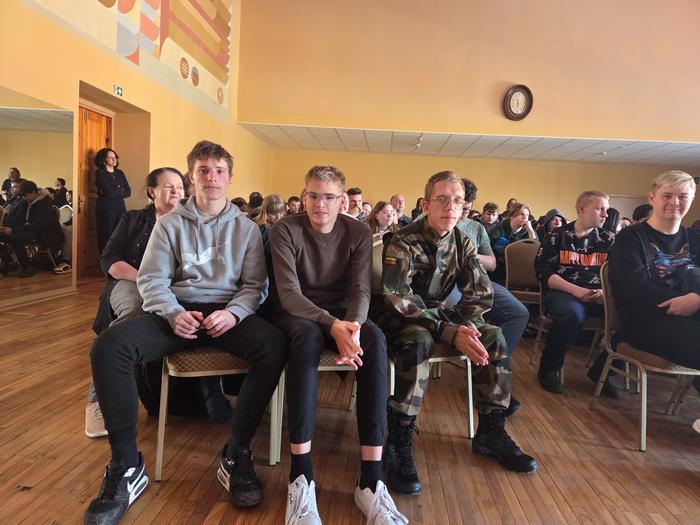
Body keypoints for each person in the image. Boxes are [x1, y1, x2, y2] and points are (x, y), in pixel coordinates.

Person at [84, 141, 287, 525]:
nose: (212, 177)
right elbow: (151, 279)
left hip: (227, 315)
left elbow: (254, 286)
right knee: (110, 346)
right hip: (178, 314)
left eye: (219, 171)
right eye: (203, 170)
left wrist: (234, 314)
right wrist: (173, 313)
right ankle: (126, 466)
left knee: (273, 344)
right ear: (191, 178)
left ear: (230, 177)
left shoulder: (247, 229)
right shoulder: (169, 224)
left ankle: (236, 453)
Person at [375, 171, 536, 498]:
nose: (451, 207)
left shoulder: (463, 242)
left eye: (458, 201)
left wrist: (466, 326)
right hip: (399, 318)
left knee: (492, 336)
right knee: (419, 340)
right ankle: (399, 440)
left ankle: (491, 431)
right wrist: (449, 330)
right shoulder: (402, 241)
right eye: (442, 199)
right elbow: (398, 298)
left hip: (442, 315)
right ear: (426, 205)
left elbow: (480, 294)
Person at [270, 165, 407, 525]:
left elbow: (360, 289)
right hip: (298, 313)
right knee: (306, 340)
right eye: (313, 196)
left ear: (342, 200)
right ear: (304, 197)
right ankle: (301, 476)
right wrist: (333, 326)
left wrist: (354, 327)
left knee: (376, 339)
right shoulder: (285, 229)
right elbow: (288, 294)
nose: (320, 204)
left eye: (329, 197)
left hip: (345, 315)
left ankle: (370, 481)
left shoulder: (357, 231)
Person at [86, 167, 186, 438]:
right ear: (152, 191)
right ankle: (100, 400)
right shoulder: (133, 219)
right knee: (134, 309)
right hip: (131, 281)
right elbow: (110, 259)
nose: (176, 191)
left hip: (172, 288)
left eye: (180, 186)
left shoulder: (189, 222)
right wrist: (147, 280)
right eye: (169, 186)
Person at [609, 170, 699, 370]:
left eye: (683, 196)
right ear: (652, 198)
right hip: (644, 319)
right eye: (667, 195)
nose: (675, 202)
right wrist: (686, 300)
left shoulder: (694, 238)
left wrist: (696, 298)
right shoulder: (630, 238)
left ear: (692, 200)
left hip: (691, 312)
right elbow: (636, 289)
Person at [534, 191, 615, 394]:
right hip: (564, 292)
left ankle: (603, 371)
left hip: (599, 295)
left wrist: (605, 293)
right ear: (581, 209)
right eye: (599, 209)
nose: (605, 214)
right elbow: (543, 272)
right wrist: (577, 291)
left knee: (633, 316)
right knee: (571, 315)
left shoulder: (609, 239)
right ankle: (549, 369)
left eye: (606, 209)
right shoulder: (557, 236)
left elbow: (618, 274)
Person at [0, 180, 64, 277]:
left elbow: (37, 226)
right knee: (2, 235)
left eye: (26, 196)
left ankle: (27, 268)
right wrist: (5, 227)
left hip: (46, 235)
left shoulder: (45, 204)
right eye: (23, 196)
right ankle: (10, 263)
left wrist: (13, 230)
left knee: (16, 238)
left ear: (34, 192)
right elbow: (18, 219)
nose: (24, 198)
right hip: (33, 231)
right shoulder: (27, 201)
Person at [489, 202, 538, 282]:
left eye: (527, 215)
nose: (525, 217)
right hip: (499, 267)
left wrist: (530, 231)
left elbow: (535, 251)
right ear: (512, 216)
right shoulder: (500, 228)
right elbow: (488, 247)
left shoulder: (529, 230)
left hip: (520, 266)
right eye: (522, 214)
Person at [95, 148, 131, 253]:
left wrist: (113, 191)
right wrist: (119, 190)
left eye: (115, 157)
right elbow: (108, 192)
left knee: (120, 234)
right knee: (106, 235)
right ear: (103, 160)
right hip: (105, 208)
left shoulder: (120, 173)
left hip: (120, 207)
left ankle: (117, 260)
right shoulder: (100, 172)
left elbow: (128, 192)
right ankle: (105, 259)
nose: (114, 159)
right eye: (111, 157)